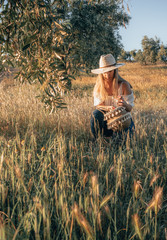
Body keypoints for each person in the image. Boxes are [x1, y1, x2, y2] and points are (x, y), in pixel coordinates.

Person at [90, 54, 135, 142]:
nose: (107, 74)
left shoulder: (124, 85)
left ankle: (119, 138)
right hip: (106, 120)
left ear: (115, 70)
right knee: (95, 114)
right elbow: (98, 106)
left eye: (110, 71)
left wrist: (124, 104)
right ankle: (98, 140)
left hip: (122, 119)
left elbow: (130, 108)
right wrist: (108, 108)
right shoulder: (99, 86)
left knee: (122, 143)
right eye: (104, 72)